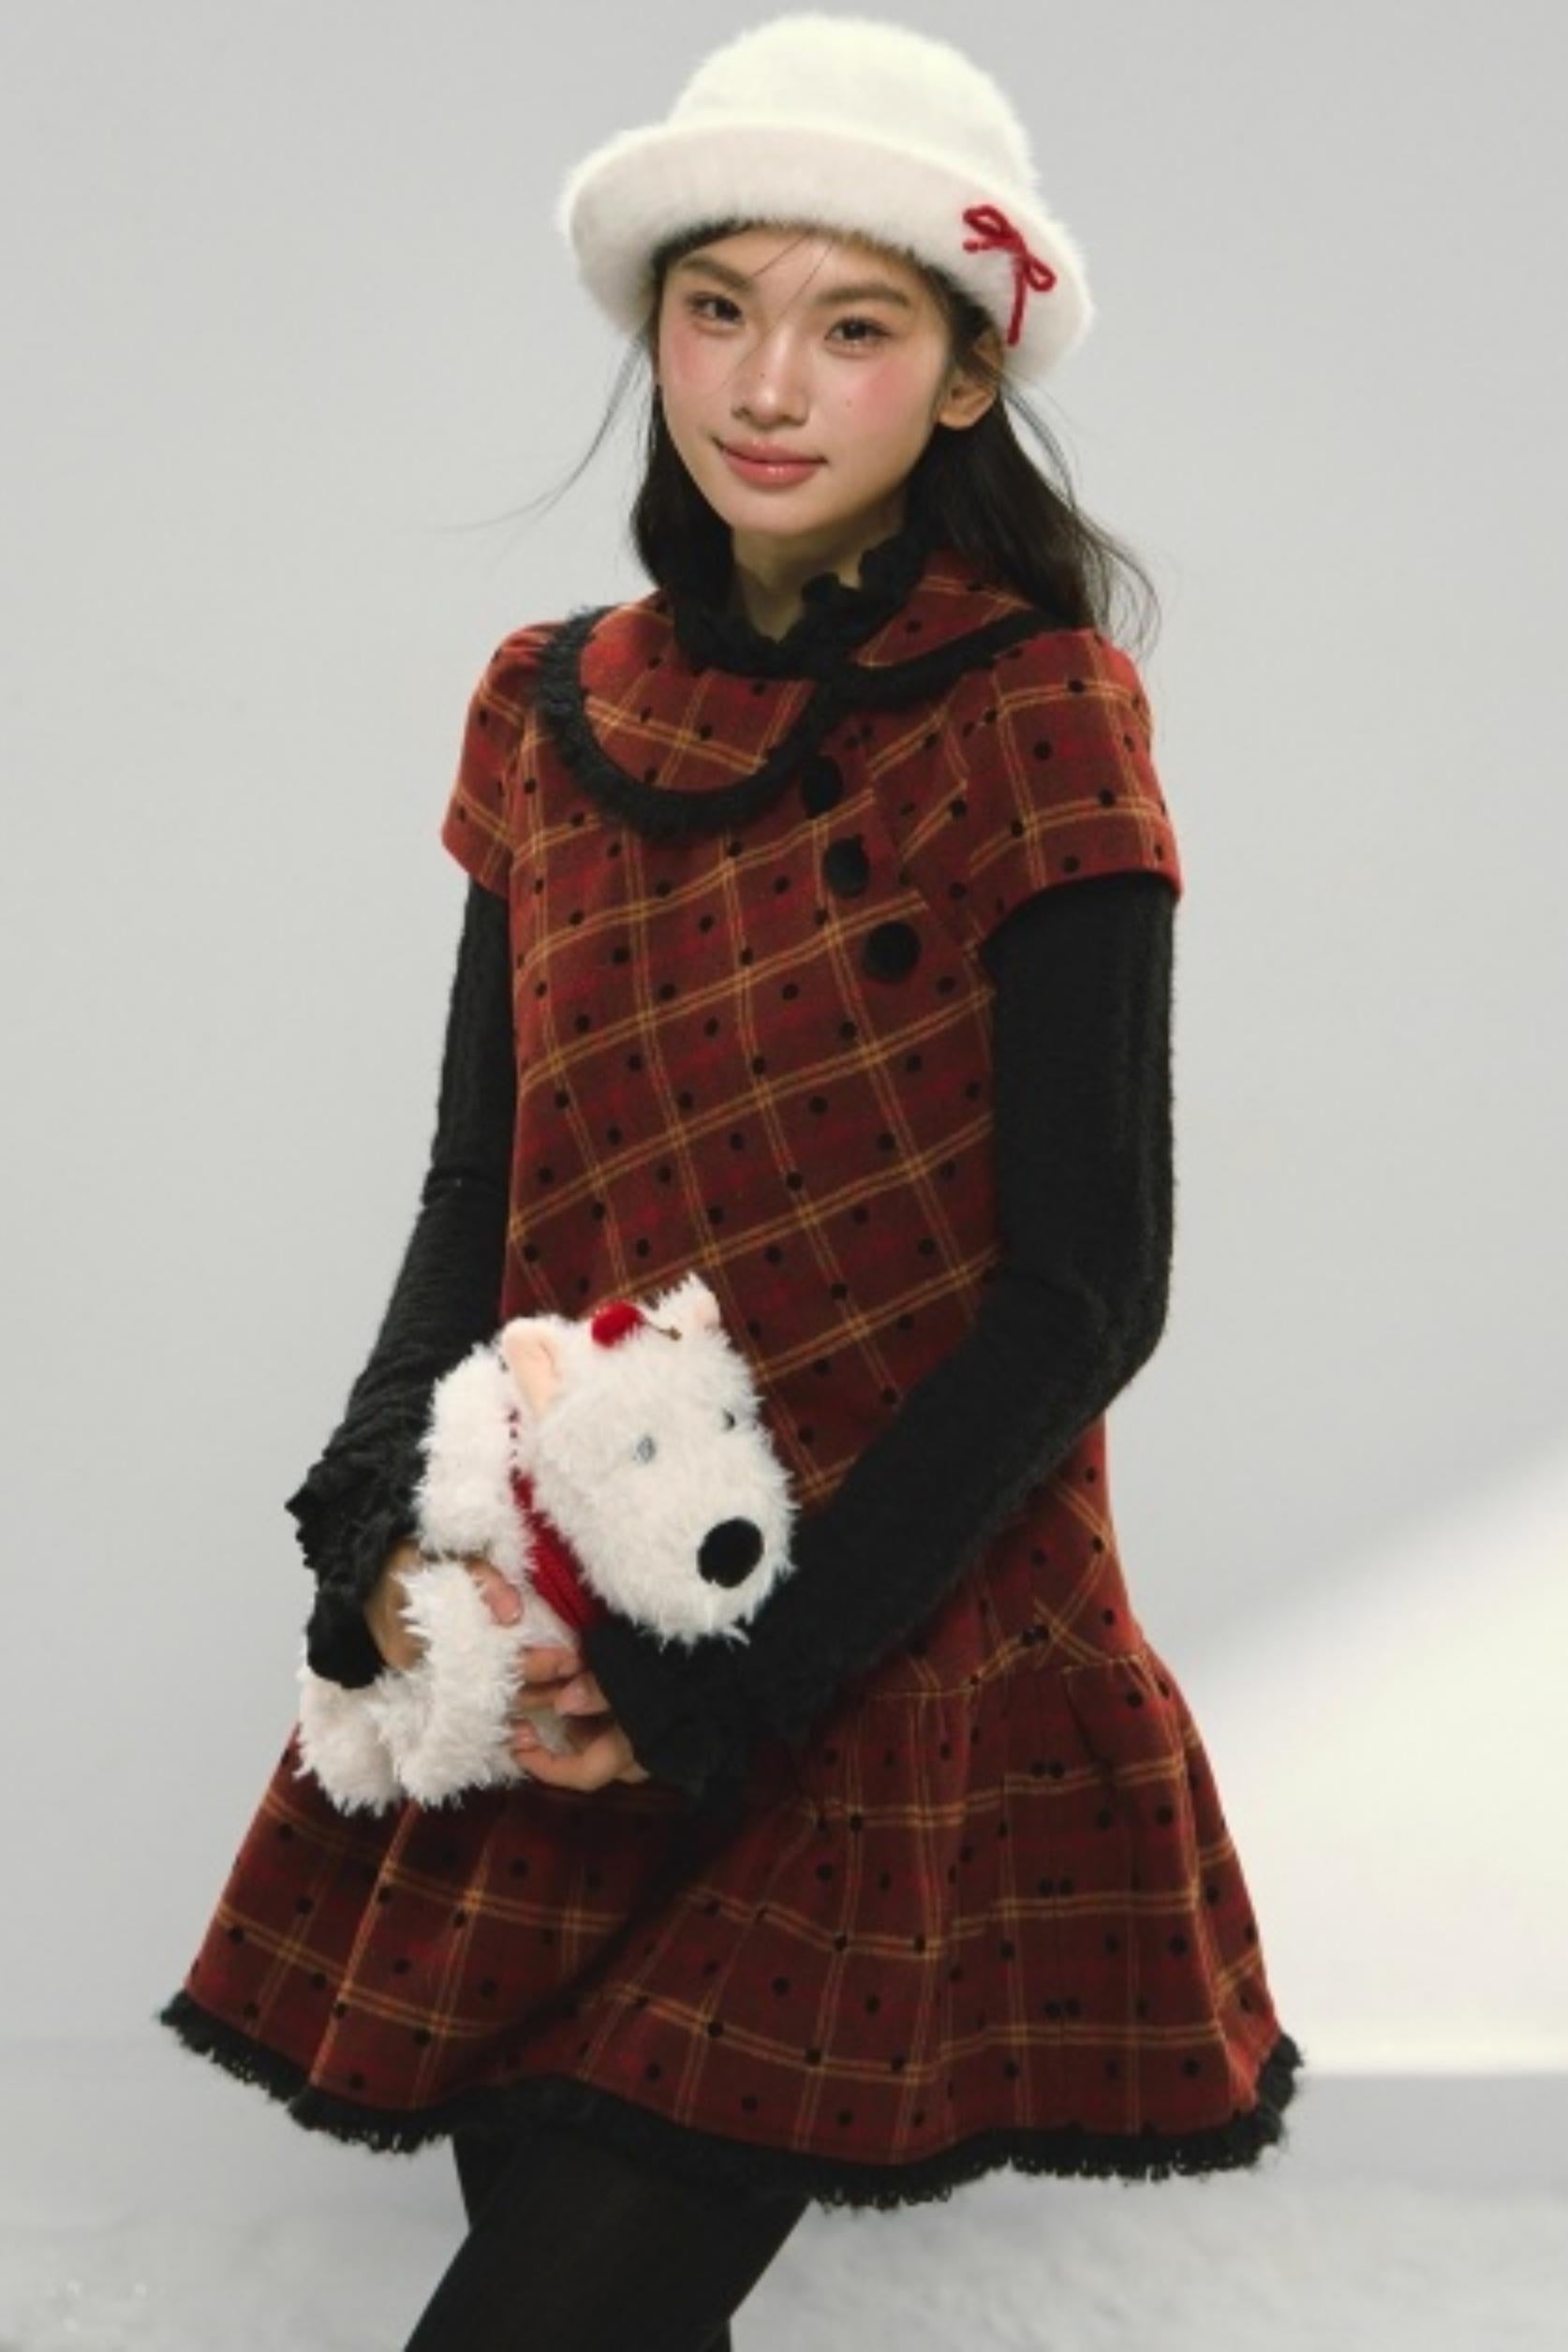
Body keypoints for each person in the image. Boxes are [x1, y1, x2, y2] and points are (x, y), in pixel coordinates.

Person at [155, 16, 1307, 2348]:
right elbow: (485, 1181)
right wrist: (373, 1521)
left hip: (875, 1655)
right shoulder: (545, 702)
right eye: (718, 309)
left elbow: (1089, 1285)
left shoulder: (1035, 710)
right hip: (558, 1624)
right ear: (656, 326)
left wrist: (747, 1686)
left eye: (854, 326)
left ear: (966, 377)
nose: (768, 384)